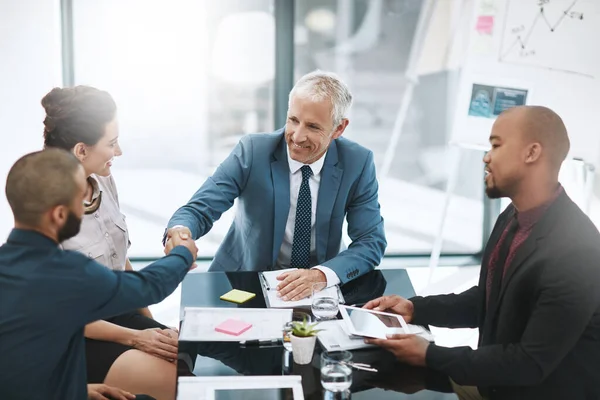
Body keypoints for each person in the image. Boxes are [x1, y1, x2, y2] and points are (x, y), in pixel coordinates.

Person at [363, 106, 600, 399]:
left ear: (532, 153)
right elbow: (491, 300)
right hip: (498, 382)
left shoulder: (578, 251)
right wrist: (415, 309)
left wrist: (431, 355)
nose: (486, 156)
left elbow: (529, 363)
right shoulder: (514, 216)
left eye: (496, 145)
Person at [164, 70, 387, 301]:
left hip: (318, 289)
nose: (297, 136)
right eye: (293, 120)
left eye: (312, 127)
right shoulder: (253, 151)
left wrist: (321, 275)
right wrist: (180, 232)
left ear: (339, 129)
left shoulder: (357, 162)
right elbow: (200, 208)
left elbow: (371, 242)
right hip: (244, 280)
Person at [0, 149, 198, 400]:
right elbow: (150, 286)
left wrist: (81, 391)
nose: (85, 208)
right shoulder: (65, 271)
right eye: (79, 200)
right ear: (60, 215)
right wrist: (182, 254)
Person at [40, 86, 194, 398]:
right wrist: (136, 337)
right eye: (111, 143)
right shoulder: (45, 210)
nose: (119, 152)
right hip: (76, 334)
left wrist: (149, 324)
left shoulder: (103, 179)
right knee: (176, 380)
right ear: (81, 150)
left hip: (118, 315)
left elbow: (119, 263)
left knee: (192, 355)